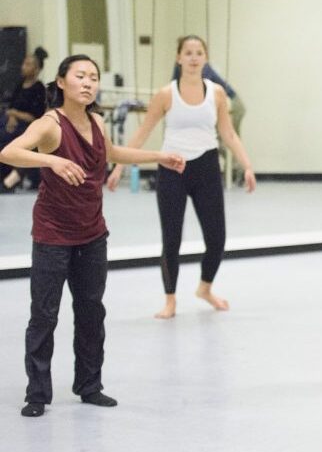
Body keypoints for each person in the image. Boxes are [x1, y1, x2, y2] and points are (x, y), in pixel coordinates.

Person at [0, 54, 185, 418]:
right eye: (80, 76)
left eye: (93, 77)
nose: (88, 83)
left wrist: (158, 156)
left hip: (92, 233)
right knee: (44, 315)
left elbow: (113, 153)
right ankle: (37, 393)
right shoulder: (50, 124)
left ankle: (89, 385)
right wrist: (51, 160)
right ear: (61, 83)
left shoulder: (97, 121)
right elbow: (9, 151)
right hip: (53, 234)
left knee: (91, 312)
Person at [108, 35, 256, 319]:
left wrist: (246, 165)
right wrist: (119, 166)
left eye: (199, 52)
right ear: (178, 58)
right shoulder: (166, 94)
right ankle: (170, 299)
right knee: (171, 238)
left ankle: (205, 288)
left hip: (207, 167)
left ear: (205, 58)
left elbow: (228, 133)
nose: (193, 57)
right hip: (172, 169)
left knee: (217, 239)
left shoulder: (216, 94)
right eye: (187, 52)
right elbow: (143, 132)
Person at [1, 47, 49, 192]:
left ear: (36, 69)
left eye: (28, 64)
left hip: (29, 126)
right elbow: (9, 108)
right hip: (12, 123)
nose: (23, 67)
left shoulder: (39, 88)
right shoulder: (19, 85)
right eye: (24, 63)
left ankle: (10, 181)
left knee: (15, 141)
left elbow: (35, 117)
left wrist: (15, 114)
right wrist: (11, 116)